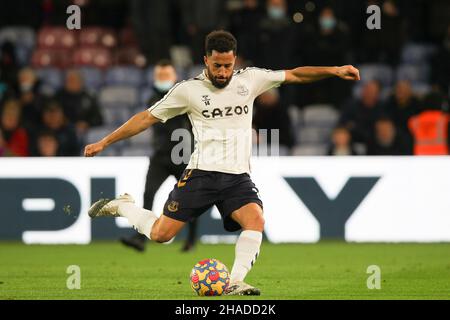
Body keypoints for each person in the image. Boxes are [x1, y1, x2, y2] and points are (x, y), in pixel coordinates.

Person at [84, 30, 360, 295]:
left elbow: (295, 75)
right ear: (206, 59)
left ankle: (235, 282)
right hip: (201, 174)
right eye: (217, 65)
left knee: (255, 220)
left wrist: (334, 70)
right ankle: (123, 206)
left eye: (228, 65)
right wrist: (104, 142)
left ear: (235, 60)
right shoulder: (188, 91)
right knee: (160, 234)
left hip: (237, 177)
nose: (223, 72)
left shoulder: (250, 80)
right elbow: (145, 118)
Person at [120, 60, 199, 253]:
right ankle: (140, 238)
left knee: (190, 199)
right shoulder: (154, 97)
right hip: (161, 155)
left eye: (166, 76)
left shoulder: (184, 96)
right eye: (160, 76)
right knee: (149, 194)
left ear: (174, 77)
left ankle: (191, 239)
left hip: (182, 156)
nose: (163, 80)